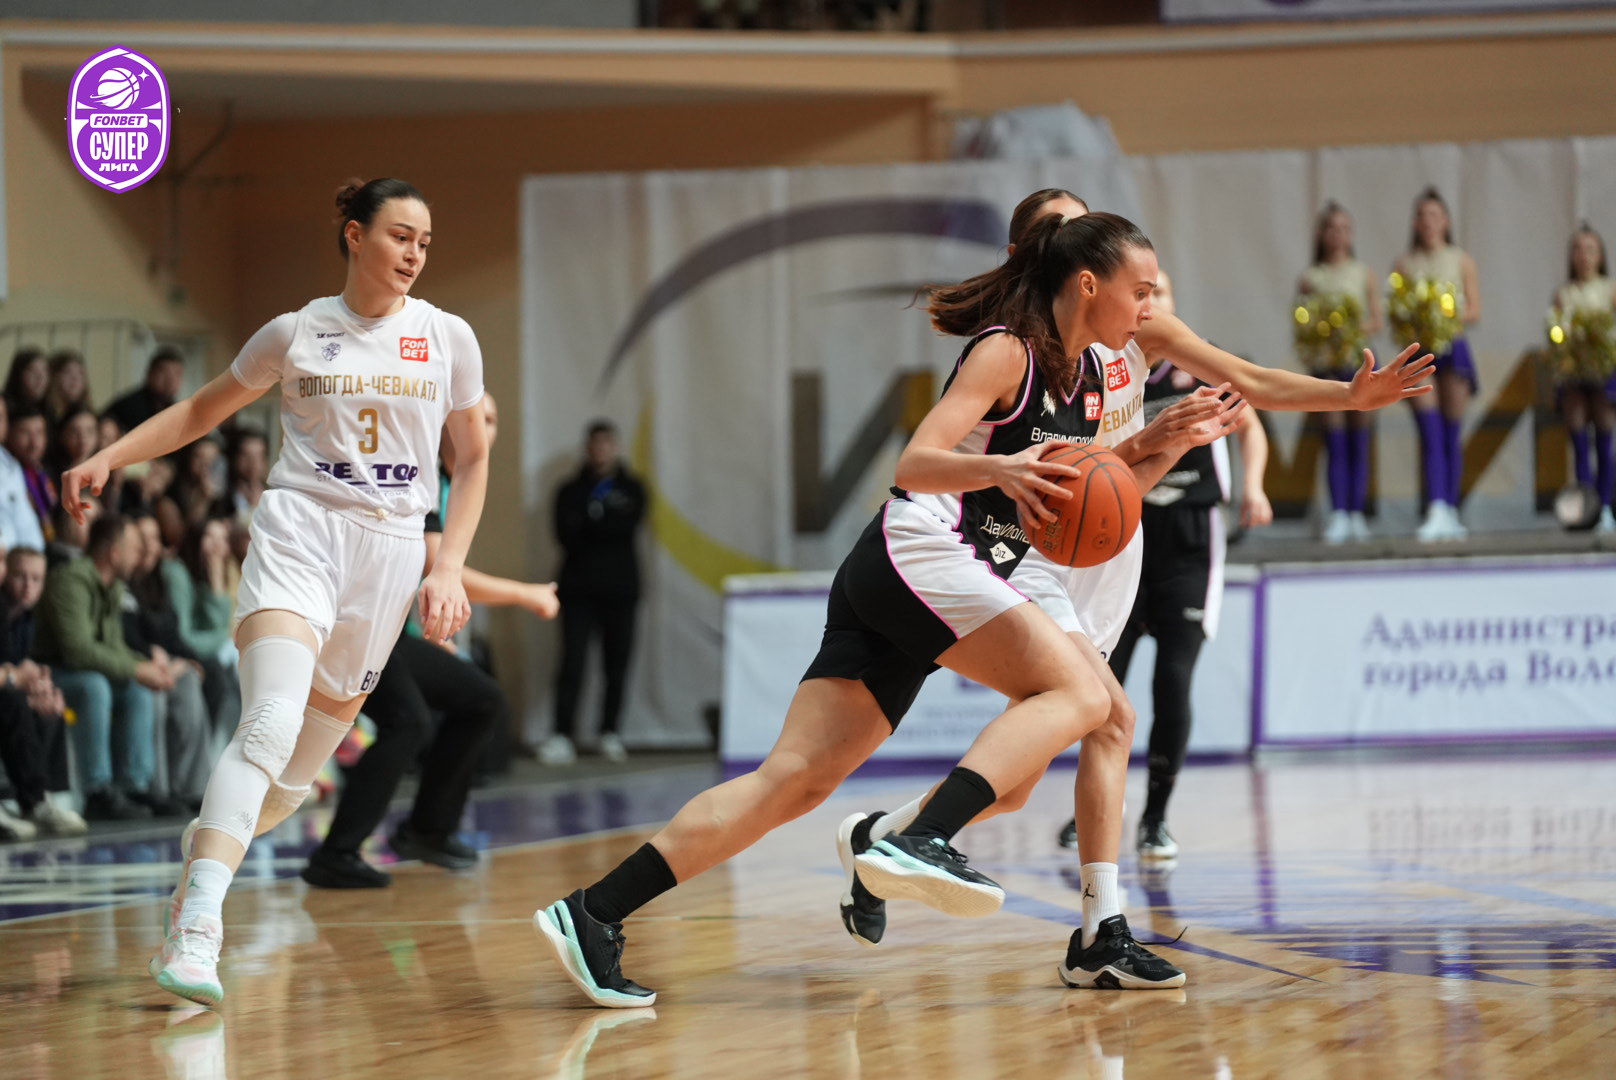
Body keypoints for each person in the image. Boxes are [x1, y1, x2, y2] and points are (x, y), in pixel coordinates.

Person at [533, 211, 1259, 1009]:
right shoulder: (1008, 350)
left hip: (913, 575)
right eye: (1142, 290)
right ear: (1090, 284)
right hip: (923, 550)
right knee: (1087, 696)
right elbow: (915, 462)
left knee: (795, 782)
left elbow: (1087, 508)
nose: (1152, 307)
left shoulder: (1091, 383)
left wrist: (1164, 444)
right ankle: (919, 838)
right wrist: (1004, 471)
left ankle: (593, 912)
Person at [833, 188, 1431, 976]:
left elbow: (1247, 381)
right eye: (1061, 230)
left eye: (1083, 223)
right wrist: (1151, 440)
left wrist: (1347, 396)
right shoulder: (1027, 347)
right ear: (1054, 262)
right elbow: (1052, 471)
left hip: (1111, 538)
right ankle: (1089, 930)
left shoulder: (1135, 328)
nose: (1076, 238)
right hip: (1040, 545)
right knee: (1112, 717)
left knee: (1026, 780)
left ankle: (883, 839)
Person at [62, 176, 488, 1008]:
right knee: (267, 722)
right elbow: (199, 411)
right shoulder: (296, 332)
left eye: (425, 242)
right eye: (400, 236)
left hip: (391, 553)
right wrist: (111, 456)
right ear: (355, 235)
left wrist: (447, 566)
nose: (414, 254)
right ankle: (199, 930)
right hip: (302, 532)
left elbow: (470, 460)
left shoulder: (448, 337)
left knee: (288, 786)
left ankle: (202, 861)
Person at [302, 393, 559, 888]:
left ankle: (427, 831)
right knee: (407, 721)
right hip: (349, 623)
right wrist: (526, 594)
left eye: (491, 419)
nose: (482, 427)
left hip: (389, 629)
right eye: (474, 416)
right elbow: (435, 565)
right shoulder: (416, 476)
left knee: (481, 699)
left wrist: (430, 629)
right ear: (443, 424)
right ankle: (335, 853)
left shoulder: (453, 483)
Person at [1058, 273, 1273, 860]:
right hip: (1123, 530)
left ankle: (1155, 818)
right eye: (1145, 294)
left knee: (1172, 681)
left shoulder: (1198, 364)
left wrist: (1254, 486)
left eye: (1163, 294)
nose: (1153, 304)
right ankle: (1093, 810)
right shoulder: (1109, 369)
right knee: (1103, 687)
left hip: (1190, 536)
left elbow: (1251, 427)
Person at [34, 514, 178, 820]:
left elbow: (114, 646)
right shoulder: (70, 580)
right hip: (50, 671)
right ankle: (96, 790)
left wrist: (146, 668)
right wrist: (137, 669)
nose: (140, 555)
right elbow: (78, 650)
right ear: (113, 552)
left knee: (137, 690)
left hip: (83, 669)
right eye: (134, 548)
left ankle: (133, 785)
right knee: (95, 686)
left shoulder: (112, 586)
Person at [543, 419, 647, 766]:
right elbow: (565, 534)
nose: (601, 450)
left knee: (616, 664)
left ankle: (609, 732)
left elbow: (626, 528)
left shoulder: (633, 488)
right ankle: (562, 734)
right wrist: (599, 523)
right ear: (588, 448)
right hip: (578, 589)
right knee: (572, 662)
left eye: (607, 444)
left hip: (621, 589)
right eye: (595, 444)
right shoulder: (570, 490)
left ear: (615, 447)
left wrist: (591, 523)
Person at [1392, 187, 1480, 541]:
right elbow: (1396, 311)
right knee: (1429, 431)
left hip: (1452, 348)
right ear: (1415, 223)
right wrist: (1417, 319)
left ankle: (1452, 510)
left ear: (1446, 221)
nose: (1428, 222)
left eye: (1435, 215)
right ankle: (1435, 507)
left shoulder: (1461, 260)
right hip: (1419, 352)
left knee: (1451, 433)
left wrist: (1445, 316)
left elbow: (1474, 310)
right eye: (1422, 216)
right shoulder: (1404, 264)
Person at [1295, 202, 1382, 543]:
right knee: (1334, 438)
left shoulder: (1363, 273)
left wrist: (1350, 328)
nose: (1338, 234)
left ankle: (1357, 513)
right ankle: (1339, 513)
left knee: (1359, 437)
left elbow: (1377, 320)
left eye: (1344, 228)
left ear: (1352, 234)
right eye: (1332, 228)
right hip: (1326, 365)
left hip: (1359, 363)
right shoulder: (1311, 277)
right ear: (1322, 234)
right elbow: (1301, 321)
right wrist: (1321, 331)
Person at [125, 512, 213, 810]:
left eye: (154, 538)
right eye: (142, 539)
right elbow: (124, 634)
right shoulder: (122, 584)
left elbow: (173, 634)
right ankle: (157, 789)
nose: (149, 546)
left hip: (167, 664)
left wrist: (189, 659)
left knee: (189, 682)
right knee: (156, 693)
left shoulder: (158, 583)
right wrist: (152, 655)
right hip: (139, 665)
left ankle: (191, 786)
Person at [0, 547, 86, 839]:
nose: (27, 586)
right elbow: (10, 674)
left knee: (49, 706)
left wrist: (39, 687)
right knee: (14, 702)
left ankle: (45, 799)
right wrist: (17, 679)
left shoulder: (25, 619)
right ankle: (32, 799)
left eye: (36, 579)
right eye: (20, 576)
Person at [1550, 223, 1616, 534]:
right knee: (1578, 442)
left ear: (1600, 255)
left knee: (1604, 439)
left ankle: (1605, 507)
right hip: (1574, 374)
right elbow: (1555, 333)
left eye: (1590, 249)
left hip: (1603, 373)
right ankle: (1584, 510)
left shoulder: (1610, 289)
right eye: (1578, 249)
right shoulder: (1564, 294)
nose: (1584, 256)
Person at [0, 397, 48, 552]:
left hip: (17, 560)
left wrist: (34, 559)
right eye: (25, 432)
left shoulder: (11, 467)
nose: (34, 443)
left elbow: (26, 525)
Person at [104, 346, 186, 435]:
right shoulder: (127, 407)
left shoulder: (179, 413)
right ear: (150, 374)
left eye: (177, 374)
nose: (171, 380)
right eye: (165, 372)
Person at [8, 406, 56, 540]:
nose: (34, 443)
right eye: (25, 433)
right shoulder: (7, 475)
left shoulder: (51, 471)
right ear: (9, 434)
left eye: (39, 432)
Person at [43, 350, 92, 432]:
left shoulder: (89, 416)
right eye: (67, 372)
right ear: (54, 377)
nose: (75, 378)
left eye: (80, 373)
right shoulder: (45, 417)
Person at [3, 347, 48, 418]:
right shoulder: (4, 407)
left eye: (44, 370)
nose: (40, 377)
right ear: (18, 374)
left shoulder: (47, 408)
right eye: (32, 370)